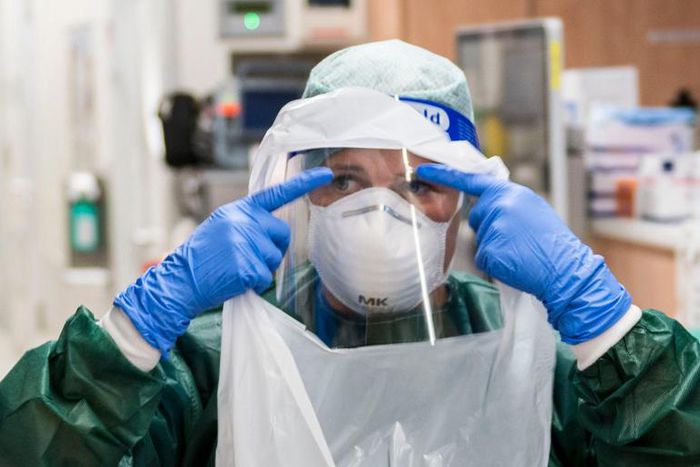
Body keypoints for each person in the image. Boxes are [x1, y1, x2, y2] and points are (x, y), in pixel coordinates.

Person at [1, 39, 700, 466]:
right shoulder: (219, 359)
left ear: (465, 200)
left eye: (419, 185)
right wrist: (129, 336)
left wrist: (608, 324)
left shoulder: (534, 358)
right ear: (303, 191)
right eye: (345, 180)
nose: (380, 214)